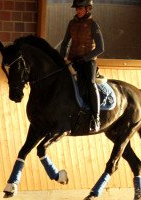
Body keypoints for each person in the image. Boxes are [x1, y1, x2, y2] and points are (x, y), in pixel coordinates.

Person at [60, 0, 104, 132]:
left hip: (88, 61)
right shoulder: (71, 23)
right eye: (76, 8)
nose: (77, 11)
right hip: (73, 60)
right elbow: (65, 44)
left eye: (80, 8)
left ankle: (96, 119)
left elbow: (101, 48)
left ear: (88, 8)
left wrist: (85, 58)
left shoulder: (93, 24)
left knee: (90, 83)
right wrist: (61, 59)